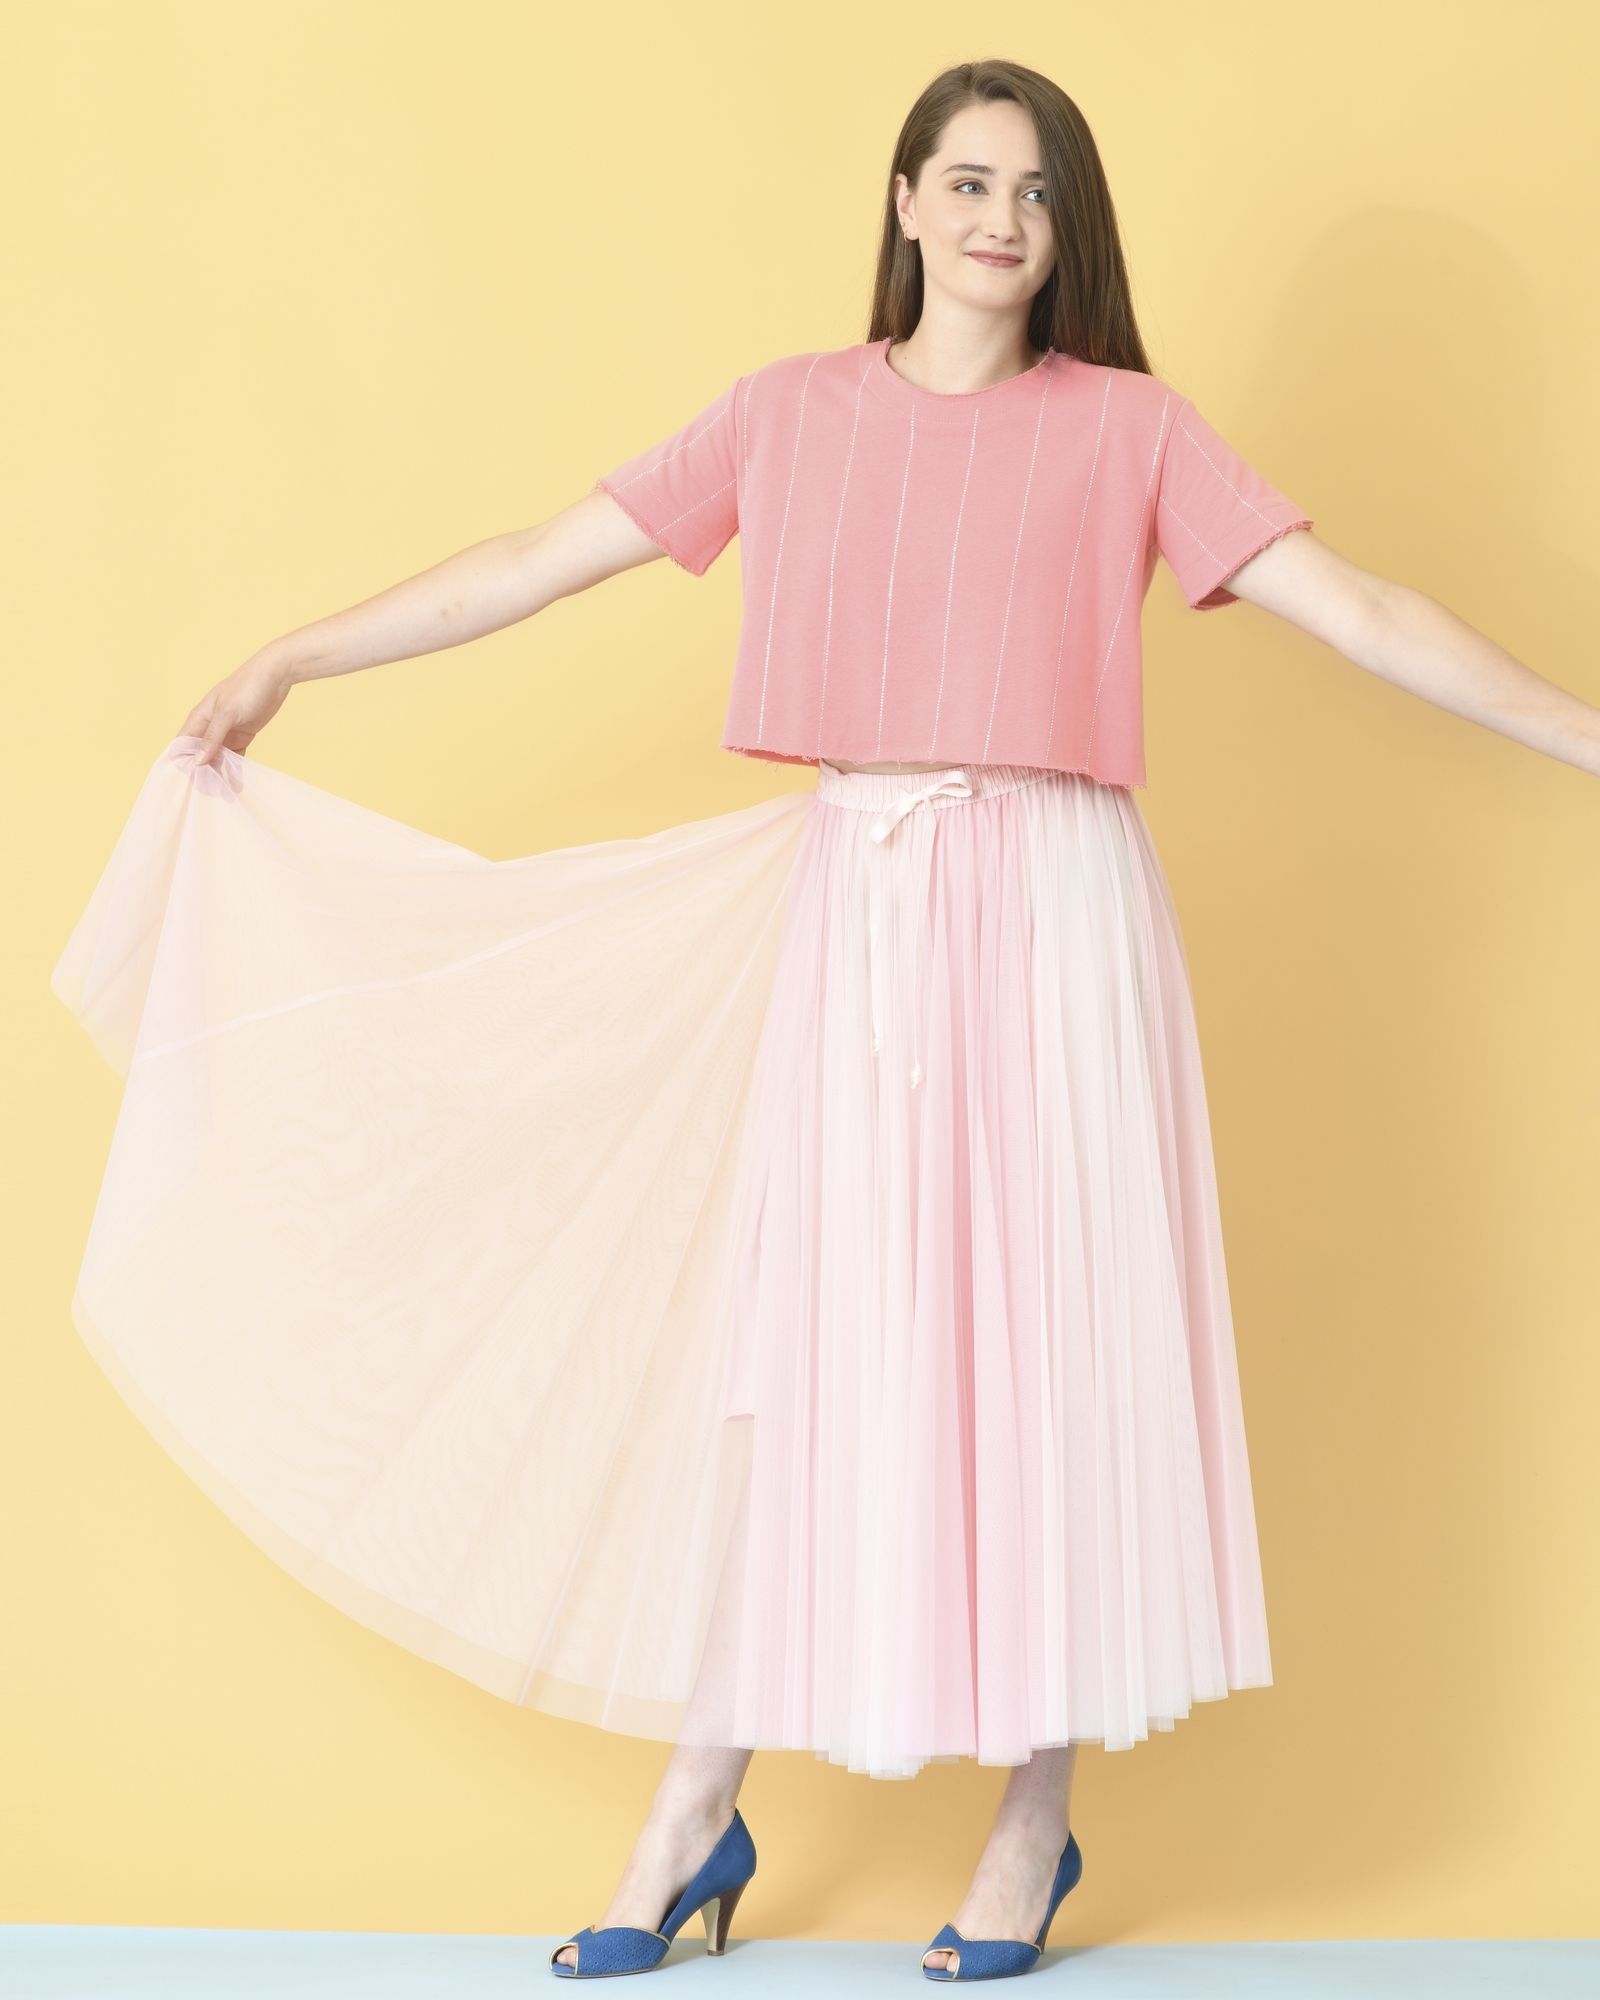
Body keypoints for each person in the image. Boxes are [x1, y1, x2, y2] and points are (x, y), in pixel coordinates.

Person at [52, 59, 1600, 1987]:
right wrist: (290, 656)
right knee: (808, 1359)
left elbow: (1362, 611)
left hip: (1055, 910)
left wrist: (1588, 735)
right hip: (855, 904)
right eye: (970, 181)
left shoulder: (1130, 428)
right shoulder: (786, 414)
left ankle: (1031, 1825)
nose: (1001, 220)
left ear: (1066, 229)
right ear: (905, 200)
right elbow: (537, 559)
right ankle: (694, 1812)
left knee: (1046, 1355)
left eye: (1036, 192)